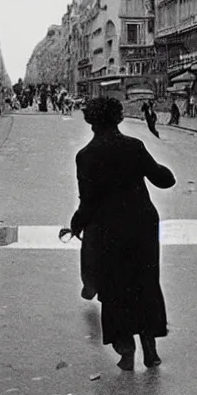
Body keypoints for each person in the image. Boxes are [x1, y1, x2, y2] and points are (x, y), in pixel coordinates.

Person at [70, 97, 176, 371]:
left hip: (108, 230)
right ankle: (150, 350)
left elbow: (88, 201)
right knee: (145, 282)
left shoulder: (86, 155)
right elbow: (164, 179)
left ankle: (126, 352)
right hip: (141, 225)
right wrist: (157, 169)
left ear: (91, 122)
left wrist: (76, 224)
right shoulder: (134, 147)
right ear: (118, 118)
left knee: (115, 288)